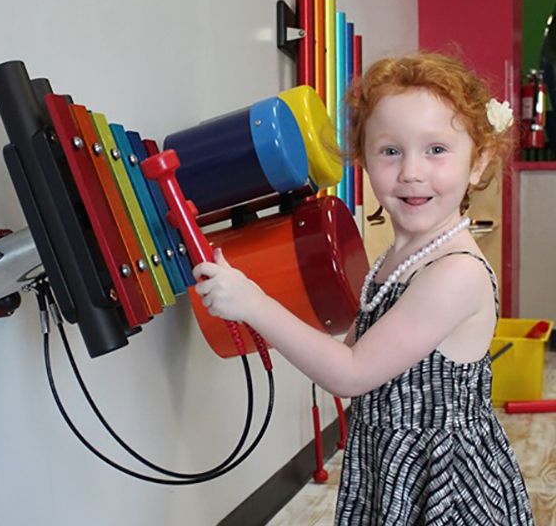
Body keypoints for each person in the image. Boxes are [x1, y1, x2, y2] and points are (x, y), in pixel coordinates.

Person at [193, 52, 534, 525]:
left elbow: (350, 374)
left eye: (436, 150)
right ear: (365, 162)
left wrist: (254, 303)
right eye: (390, 151)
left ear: (478, 164)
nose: (411, 170)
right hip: (389, 463)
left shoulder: (456, 273)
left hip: (443, 486)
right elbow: (358, 351)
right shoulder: (396, 259)